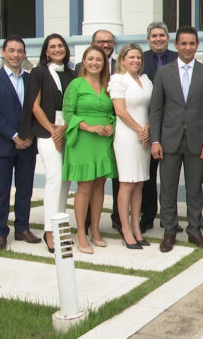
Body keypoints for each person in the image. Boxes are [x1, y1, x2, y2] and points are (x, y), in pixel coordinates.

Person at [149, 25, 203, 253]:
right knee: (167, 188)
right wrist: (155, 140)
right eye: (184, 43)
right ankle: (169, 231)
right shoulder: (164, 72)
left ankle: (194, 230)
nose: (188, 47)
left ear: (197, 45)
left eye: (192, 43)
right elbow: (155, 109)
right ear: (176, 45)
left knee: (194, 189)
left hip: (197, 141)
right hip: (169, 140)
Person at [0, 36, 39, 250]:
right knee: (1, 190)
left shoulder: (31, 79)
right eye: (11, 50)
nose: (16, 55)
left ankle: (22, 228)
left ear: (24, 54)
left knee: (25, 189)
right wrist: (14, 136)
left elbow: (37, 110)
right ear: (3, 53)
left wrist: (30, 136)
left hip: (28, 144)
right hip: (2, 144)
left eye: (19, 51)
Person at [21, 33, 76, 253]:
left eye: (60, 45)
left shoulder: (72, 74)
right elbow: (34, 106)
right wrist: (53, 130)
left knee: (66, 181)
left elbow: (75, 105)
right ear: (46, 50)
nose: (57, 49)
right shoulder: (39, 73)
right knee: (55, 179)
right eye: (52, 46)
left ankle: (60, 227)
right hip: (47, 132)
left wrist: (64, 128)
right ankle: (49, 231)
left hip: (68, 130)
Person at [63, 44, 118, 254]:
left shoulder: (108, 85)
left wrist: (111, 124)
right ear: (84, 62)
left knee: (99, 184)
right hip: (83, 138)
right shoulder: (76, 84)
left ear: (104, 63)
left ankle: (95, 229)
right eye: (91, 59)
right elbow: (68, 113)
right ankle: (80, 233)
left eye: (99, 59)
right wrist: (88, 127)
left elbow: (114, 111)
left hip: (103, 140)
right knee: (85, 185)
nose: (95, 63)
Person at [108, 43, 153, 249]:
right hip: (127, 136)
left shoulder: (145, 80)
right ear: (122, 60)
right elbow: (120, 110)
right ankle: (125, 230)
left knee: (139, 182)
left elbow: (151, 108)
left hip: (144, 136)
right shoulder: (118, 80)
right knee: (127, 182)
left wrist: (147, 128)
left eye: (138, 57)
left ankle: (136, 228)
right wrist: (139, 129)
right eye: (131, 57)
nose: (136, 60)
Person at [140, 22, 178, 233]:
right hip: (147, 124)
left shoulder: (177, 59)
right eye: (154, 35)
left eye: (162, 35)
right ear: (148, 39)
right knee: (149, 174)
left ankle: (169, 218)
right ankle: (147, 216)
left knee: (170, 176)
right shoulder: (140, 59)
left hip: (173, 124)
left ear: (168, 38)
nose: (158, 39)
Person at [83, 29, 120, 233]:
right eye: (101, 41)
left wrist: (114, 123)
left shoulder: (121, 65)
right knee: (90, 179)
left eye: (109, 41)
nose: (106, 45)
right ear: (92, 44)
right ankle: (87, 222)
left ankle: (118, 219)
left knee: (116, 177)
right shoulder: (82, 70)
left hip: (117, 128)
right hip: (90, 134)